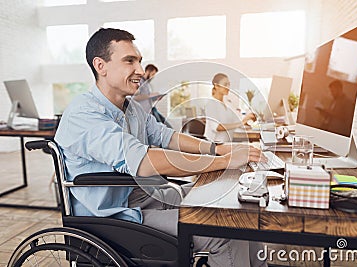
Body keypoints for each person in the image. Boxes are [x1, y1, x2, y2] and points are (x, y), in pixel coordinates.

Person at [55, 28, 267, 267]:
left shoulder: (131, 108)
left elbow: (167, 136)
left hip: (141, 196)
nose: (139, 70)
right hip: (113, 217)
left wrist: (217, 149)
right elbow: (144, 161)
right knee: (222, 230)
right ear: (100, 65)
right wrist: (223, 162)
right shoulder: (84, 114)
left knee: (236, 214)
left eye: (139, 61)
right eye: (129, 61)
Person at [204, 73, 256, 142]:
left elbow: (236, 122)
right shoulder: (211, 104)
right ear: (216, 86)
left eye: (229, 84)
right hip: (214, 145)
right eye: (225, 84)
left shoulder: (227, 103)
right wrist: (242, 123)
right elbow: (217, 127)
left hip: (227, 144)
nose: (228, 87)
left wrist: (247, 120)